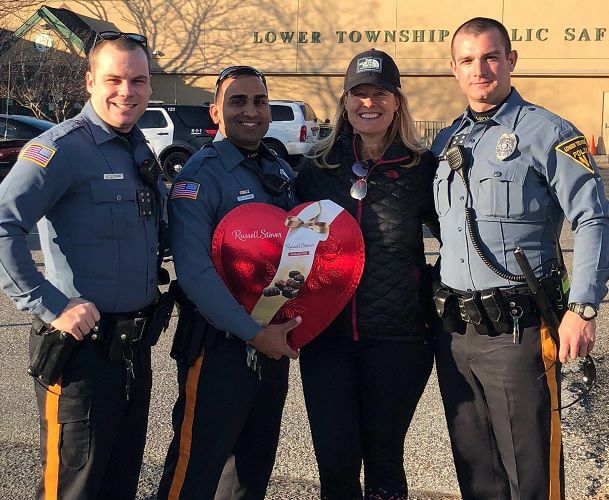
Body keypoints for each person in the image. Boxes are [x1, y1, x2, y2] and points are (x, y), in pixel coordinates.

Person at [431, 17, 609, 500]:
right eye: (467, 60)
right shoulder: (445, 142)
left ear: (511, 60)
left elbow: (593, 220)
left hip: (519, 333)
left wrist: (584, 307)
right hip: (456, 335)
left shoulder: (548, 132)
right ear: (454, 70)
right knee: (478, 479)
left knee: (532, 478)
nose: (480, 69)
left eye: (490, 57)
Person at [0, 32, 167, 499]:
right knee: (72, 486)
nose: (126, 91)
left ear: (150, 86)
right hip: (80, 354)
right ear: (89, 80)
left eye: (138, 80)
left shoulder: (137, 149)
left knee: (119, 481)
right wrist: (51, 305)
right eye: (113, 79)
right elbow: (3, 226)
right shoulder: (60, 149)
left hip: (132, 350)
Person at [294, 49, 439, 499]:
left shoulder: (421, 167)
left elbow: (458, 239)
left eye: (380, 93)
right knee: (336, 466)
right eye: (359, 93)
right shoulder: (317, 168)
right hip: (327, 341)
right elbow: (291, 246)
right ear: (344, 101)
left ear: (397, 101)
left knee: (384, 461)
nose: (369, 103)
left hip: (397, 341)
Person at [157, 65, 301, 500]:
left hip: (271, 343)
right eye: (237, 101)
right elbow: (195, 272)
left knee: (251, 470)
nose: (251, 111)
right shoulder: (201, 175)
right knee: (195, 469)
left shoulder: (277, 168)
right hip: (219, 347)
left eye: (259, 101)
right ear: (215, 111)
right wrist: (253, 334)